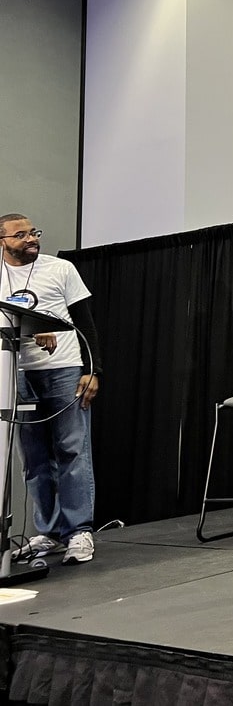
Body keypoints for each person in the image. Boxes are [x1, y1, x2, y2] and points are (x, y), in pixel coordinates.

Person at [1, 215, 101, 565]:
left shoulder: (61, 269)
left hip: (64, 369)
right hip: (14, 373)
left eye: (34, 232)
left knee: (72, 450)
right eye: (21, 234)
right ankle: (49, 532)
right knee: (34, 459)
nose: (31, 238)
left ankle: (79, 532)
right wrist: (30, 329)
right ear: (2, 241)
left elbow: (85, 320)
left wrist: (92, 371)